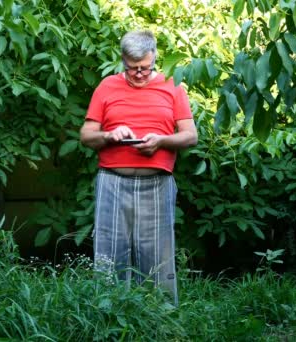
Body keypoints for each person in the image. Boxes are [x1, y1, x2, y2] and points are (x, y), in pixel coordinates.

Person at [79, 30, 197, 306]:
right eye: (132, 69)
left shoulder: (173, 86)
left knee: (158, 256)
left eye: (145, 68)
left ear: (155, 56)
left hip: (157, 182)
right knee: (109, 256)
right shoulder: (107, 86)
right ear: (122, 60)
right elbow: (86, 136)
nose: (139, 74)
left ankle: (161, 319)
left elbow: (190, 136)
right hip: (112, 181)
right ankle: (108, 315)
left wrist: (162, 141)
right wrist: (109, 135)